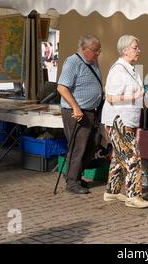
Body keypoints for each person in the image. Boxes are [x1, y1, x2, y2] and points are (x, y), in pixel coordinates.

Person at [101, 35, 148, 209]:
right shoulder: (118, 70)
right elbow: (110, 97)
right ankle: (133, 196)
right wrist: (133, 96)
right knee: (132, 156)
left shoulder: (130, 69)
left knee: (120, 157)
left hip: (127, 120)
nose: (138, 50)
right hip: (118, 120)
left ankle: (112, 192)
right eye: (135, 47)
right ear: (125, 50)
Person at [57, 34, 104, 194]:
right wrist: (76, 107)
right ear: (84, 49)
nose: (98, 53)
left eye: (99, 50)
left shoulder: (92, 60)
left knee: (94, 143)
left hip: (91, 111)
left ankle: (74, 175)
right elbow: (62, 87)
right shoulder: (73, 62)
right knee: (78, 146)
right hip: (77, 111)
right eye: (95, 50)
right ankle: (72, 182)